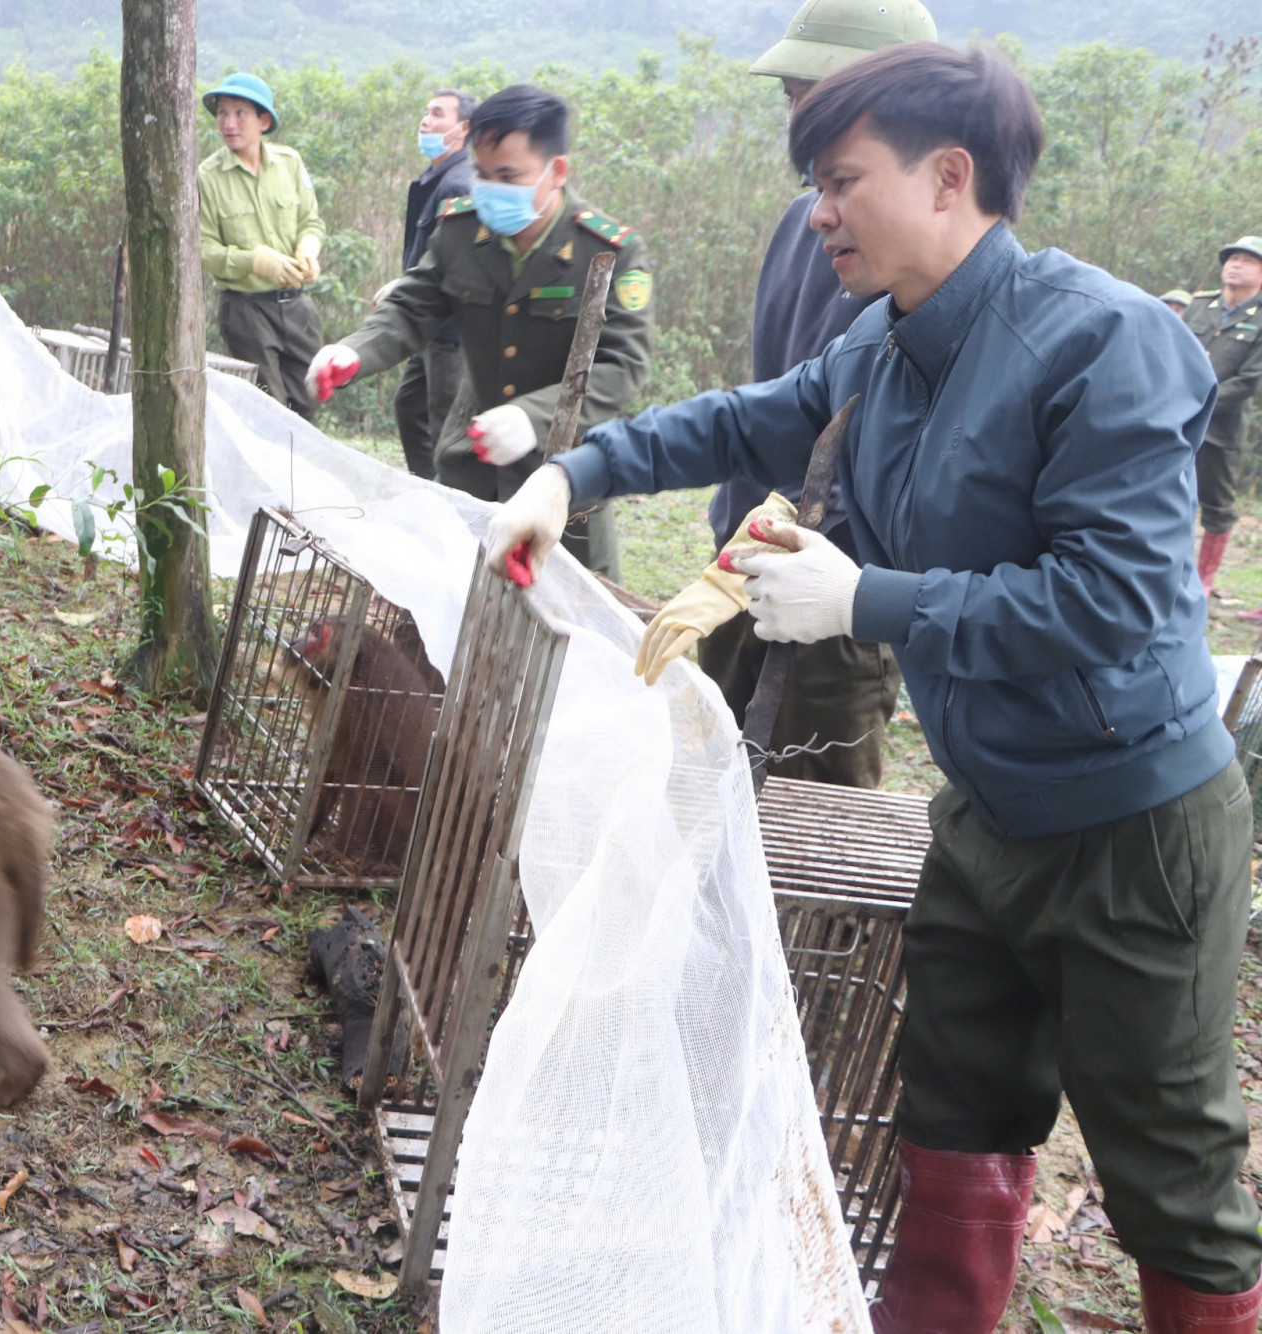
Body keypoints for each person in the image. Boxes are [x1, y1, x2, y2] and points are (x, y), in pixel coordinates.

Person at [485, 44, 1260, 1334]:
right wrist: (575, 473)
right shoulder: (881, 342)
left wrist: (866, 601)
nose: (818, 211)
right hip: (985, 812)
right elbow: (743, 419)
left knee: (1167, 1173)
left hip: (1129, 829)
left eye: (840, 180)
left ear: (947, 177)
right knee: (952, 1126)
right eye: (813, 184)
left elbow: (1117, 599)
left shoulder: (1105, 341)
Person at [651, 0, 934, 790]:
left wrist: (799, 551)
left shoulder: (934, 260)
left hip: (839, 588)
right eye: (793, 99)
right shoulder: (798, 223)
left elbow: (905, 443)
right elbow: (776, 397)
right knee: (710, 797)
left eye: (821, 96)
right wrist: (734, 549)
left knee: (815, 825)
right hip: (746, 559)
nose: (802, 120)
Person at [303, 84, 652, 579]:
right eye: (482, 175)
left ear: (556, 172)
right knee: (454, 604)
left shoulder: (609, 251)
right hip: (473, 469)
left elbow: (624, 366)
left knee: (562, 623)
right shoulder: (462, 230)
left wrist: (532, 418)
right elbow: (411, 305)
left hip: (566, 486)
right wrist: (353, 352)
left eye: (508, 176)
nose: (489, 190)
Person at [197, 72, 326, 419]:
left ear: (263, 120)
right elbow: (203, 250)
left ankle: (300, 473)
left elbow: (311, 222)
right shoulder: (207, 177)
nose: (229, 123)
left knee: (309, 401)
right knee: (266, 409)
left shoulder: (289, 163)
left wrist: (308, 249)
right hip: (245, 310)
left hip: (297, 307)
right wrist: (256, 261)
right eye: (222, 113)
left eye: (240, 113)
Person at [390, 89, 477, 479]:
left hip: (448, 331)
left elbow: (454, 264)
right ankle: (426, 492)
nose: (425, 120)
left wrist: (405, 289)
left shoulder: (459, 185)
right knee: (409, 407)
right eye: (425, 112)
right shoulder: (436, 178)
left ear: (463, 129)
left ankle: (450, 506)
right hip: (426, 325)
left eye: (437, 114)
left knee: (445, 424)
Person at [1183, 236, 1262, 606]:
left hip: (1221, 429)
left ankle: (1204, 579)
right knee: (1170, 494)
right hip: (1175, 420)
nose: (1235, 264)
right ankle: (1174, 570)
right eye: (1232, 258)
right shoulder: (1200, 307)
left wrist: (1201, 401)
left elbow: (1249, 380)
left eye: (1248, 260)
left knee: (1217, 504)